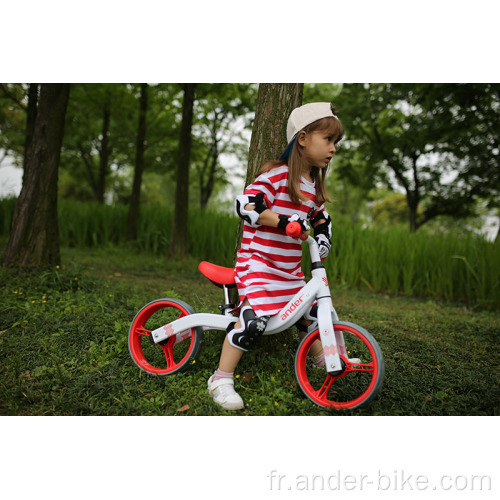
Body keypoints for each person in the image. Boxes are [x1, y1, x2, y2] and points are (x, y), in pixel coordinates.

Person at [207, 102, 344, 410]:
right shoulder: (276, 176)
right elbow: (247, 205)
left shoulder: (312, 186)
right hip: (258, 264)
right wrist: (284, 222)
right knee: (254, 322)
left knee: (308, 315)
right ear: (304, 138)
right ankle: (221, 377)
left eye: (336, 143)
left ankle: (324, 359)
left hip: (288, 269)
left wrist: (322, 237)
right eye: (328, 140)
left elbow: (320, 216)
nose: (333, 149)